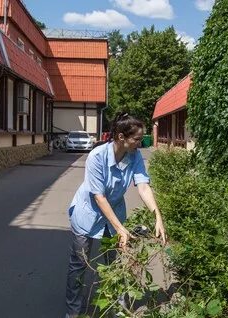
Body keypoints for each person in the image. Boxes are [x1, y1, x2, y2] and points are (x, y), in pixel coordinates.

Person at [64, 113, 167, 318]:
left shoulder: (135, 155)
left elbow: (143, 187)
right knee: (79, 264)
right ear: (121, 137)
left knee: (117, 263)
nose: (140, 142)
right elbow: (99, 197)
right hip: (88, 215)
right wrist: (121, 229)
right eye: (137, 139)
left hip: (115, 214)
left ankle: (117, 310)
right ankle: (73, 311)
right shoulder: (97, 156)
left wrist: (158, 217)